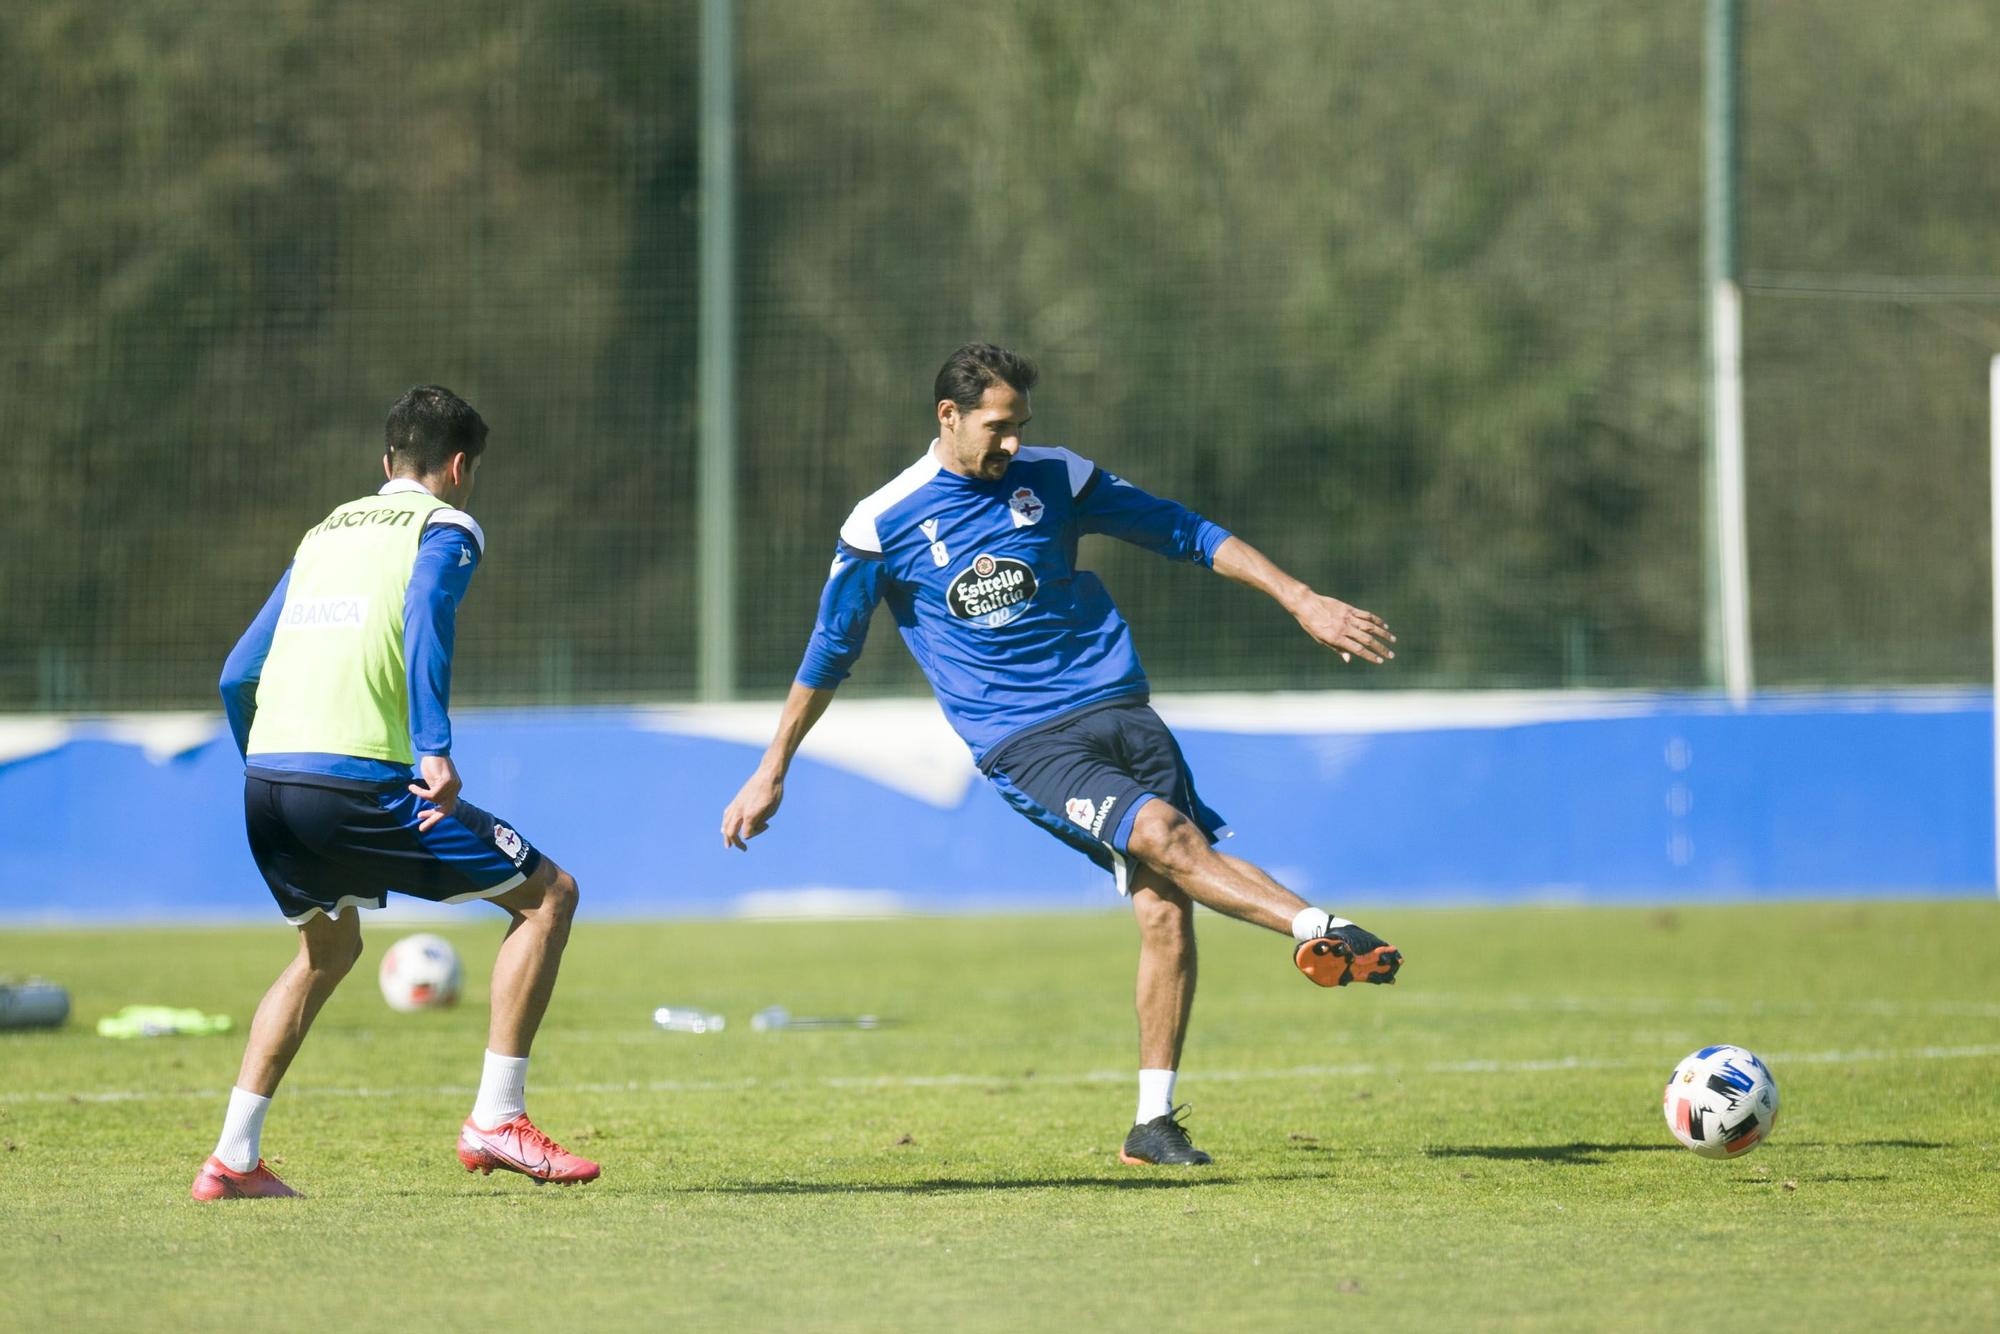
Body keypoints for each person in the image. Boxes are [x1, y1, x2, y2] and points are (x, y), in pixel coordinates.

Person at [720, 344, 1402, 1166]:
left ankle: (1153, 1124)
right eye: (997, 427)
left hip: (1121, 710)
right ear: (949, 416)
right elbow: (831, 650)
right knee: (1164, 838)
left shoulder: (1057, 478)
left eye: (1021, 427)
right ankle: (1318, 928)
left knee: (1165, 904)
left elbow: (1184, 531)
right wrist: (773, 765)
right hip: (1027, 740)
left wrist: (1301, 598)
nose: (1011, 444)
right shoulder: (884, 521)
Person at [191, 385, 597, 1200]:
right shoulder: (445, 527)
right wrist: (434, 748)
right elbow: (425, 617)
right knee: (549, 898)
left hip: (267, 781)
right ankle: (497, 1118)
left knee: (328, 950)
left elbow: (239, 671)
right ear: (458, 467)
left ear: (386, 463)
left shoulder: (323, 533)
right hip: (356, 781)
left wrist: (269, 763)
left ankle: (233, 1159)